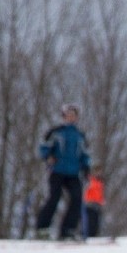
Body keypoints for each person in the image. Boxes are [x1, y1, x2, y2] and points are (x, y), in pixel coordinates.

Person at [35, 103, 91, 240]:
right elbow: (44, 148)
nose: (71, 118)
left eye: (74, 115)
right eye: (68, 115)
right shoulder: (56, 132)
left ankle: (67, 230)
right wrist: (48, 157)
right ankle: (42, 228)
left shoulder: (80, 135)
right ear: (64, 116)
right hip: (57, 171)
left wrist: (86, 168)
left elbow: (85, 154)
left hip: (73, 173)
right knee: (54, 197)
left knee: (77, 198)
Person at [83, 165, 105, 238]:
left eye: (100, 172)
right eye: (97, 171)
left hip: (97, 205)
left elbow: (100, 193)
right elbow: (86, 191)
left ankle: (94, 236)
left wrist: (102, 201)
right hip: (90, 204)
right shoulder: (90, 180)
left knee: (97, 222)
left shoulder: (100, 182)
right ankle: (89, 236)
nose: (98, 173)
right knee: (91, 222)